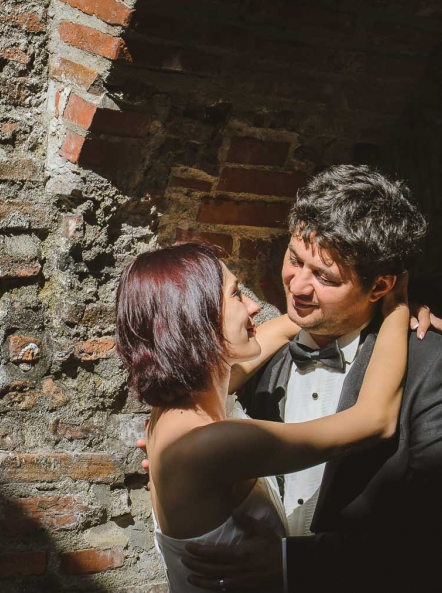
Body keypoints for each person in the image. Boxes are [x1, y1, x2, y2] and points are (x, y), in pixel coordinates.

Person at [165, 166, 442, 593]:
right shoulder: (255, 362)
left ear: (380, 285)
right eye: (294, 259)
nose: (298, 286)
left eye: (324, 276)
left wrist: (292, 566)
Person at [117, 241, 423, 593]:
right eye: (235, 295)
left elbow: (281, 329)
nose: (254, 306)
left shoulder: (185, 401)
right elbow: (375, 419)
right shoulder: (210, 443)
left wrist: (352, 306)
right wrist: (397, 306)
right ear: (195, 317)